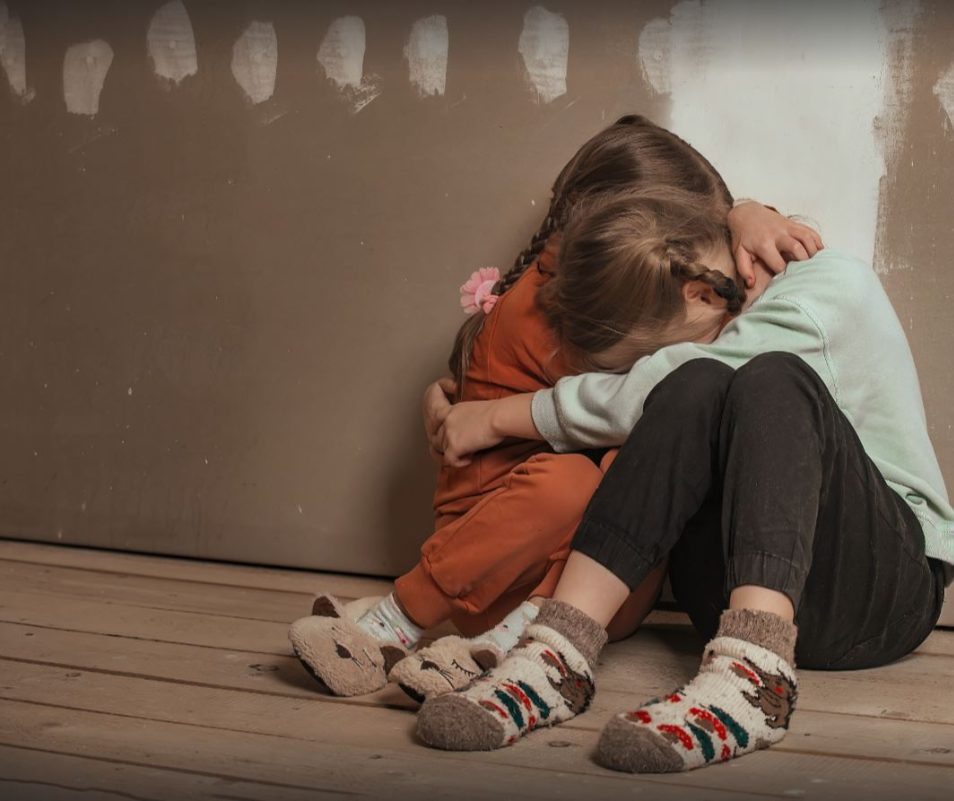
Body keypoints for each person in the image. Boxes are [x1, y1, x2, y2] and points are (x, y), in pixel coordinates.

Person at [414, 188, 954, 774]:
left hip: (880, 595)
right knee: (694, 383)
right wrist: (742, 210)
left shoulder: (827, 290)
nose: (643, 368)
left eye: (649, 353)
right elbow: (681, 240)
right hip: (723, 595)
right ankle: (558, 655)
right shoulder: (716, 271)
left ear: (702, 293)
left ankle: (755, 681)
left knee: (768, 379)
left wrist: (496, 417)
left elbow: (641, 393)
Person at [287, 116, 821, 703]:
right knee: (578, 473)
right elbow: (638, 397)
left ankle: (516, 638)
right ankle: (401, 616)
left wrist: (746, 213)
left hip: (591, 594)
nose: (698, 250)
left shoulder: (631, 294)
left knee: (638, 460)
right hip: (488, 559)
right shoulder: (559, 311)